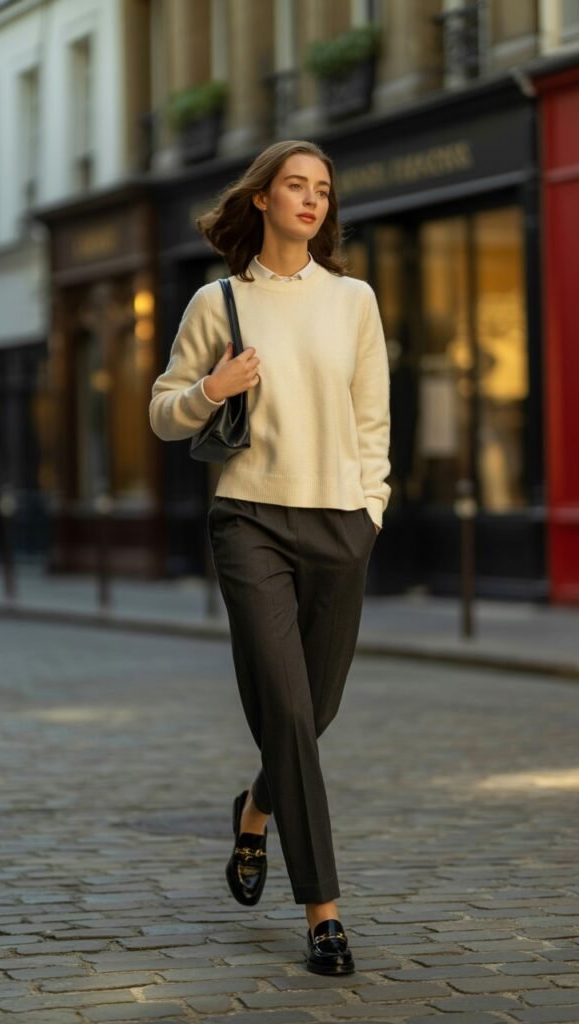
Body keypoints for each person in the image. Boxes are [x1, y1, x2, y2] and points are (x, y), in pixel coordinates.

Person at [149, 139, 391, 975]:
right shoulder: (220, 303)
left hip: (339, 523)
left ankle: (256, 809)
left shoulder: (354, 299)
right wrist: (213, 389)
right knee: (288, 714)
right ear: (263, 200)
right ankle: (324, 911)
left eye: (323, 188)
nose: (312, 200)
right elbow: (161, 413)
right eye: (296, 185)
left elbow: (372, 419)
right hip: (248, 519)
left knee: (312, 716)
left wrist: (371, 511)